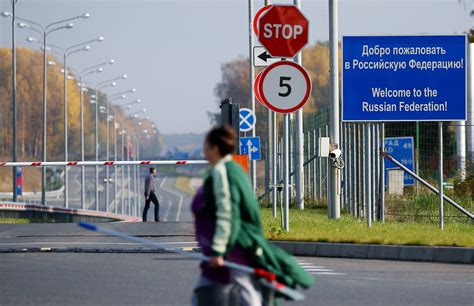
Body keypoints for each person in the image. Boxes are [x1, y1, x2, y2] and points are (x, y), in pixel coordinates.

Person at [191, 125, 313, 306]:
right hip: (226, 249)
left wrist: (218, 250)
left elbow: (228, 213)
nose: (204, 149)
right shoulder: (230, 169)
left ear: (215, 147)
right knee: (205, 294)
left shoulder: (223, 172)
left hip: (233, 249)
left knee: (246, 294)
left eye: (206, 145)